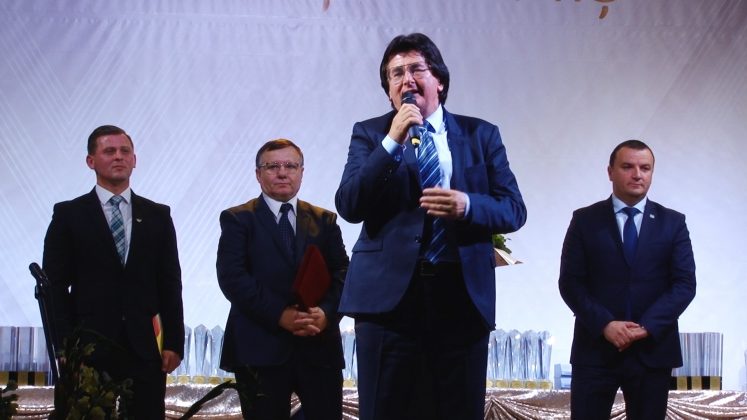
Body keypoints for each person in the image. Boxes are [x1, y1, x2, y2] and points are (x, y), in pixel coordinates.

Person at [335, 33, 527, 419]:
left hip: (460, 297)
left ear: (438, 80)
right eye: (396, 74)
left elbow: (513, 209)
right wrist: (391, 141)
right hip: (388, 303)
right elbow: (350, 205)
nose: (407, 79)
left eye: (416, 69)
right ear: (389, 89)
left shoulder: (480, 134)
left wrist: (467, 205)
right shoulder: (369, 134)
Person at [43, 125, 185, 418]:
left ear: (134, 159)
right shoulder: (69, 214)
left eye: (125, 151)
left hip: (145, 348)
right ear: (91, 161)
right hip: (88, 348)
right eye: (109, 151)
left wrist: (174, 342)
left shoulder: (158, 215)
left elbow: (170, 283)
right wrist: (64, 346)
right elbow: (54, 286)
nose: (119, 157)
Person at [558, 139, 696, 419]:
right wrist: (605, 324)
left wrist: (646, 327)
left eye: (645, 168)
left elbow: (684, 285)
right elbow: (570, 283)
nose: (637, 174)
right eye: (627, 167)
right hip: (595, 348)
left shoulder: (673, 222)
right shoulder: (585, 220)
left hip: (652, 351)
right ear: (610, 171)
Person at [216, 139, 349, 420]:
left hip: (318, 346)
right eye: (272, 166)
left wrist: (326, 314)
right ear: (258, 174)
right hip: (259, 347)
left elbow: (343, 274)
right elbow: (232, 278)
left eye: (290, 166)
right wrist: (280, 315)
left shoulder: (325, 220)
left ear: (302, 172)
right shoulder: (237, 219)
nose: (282, 172)